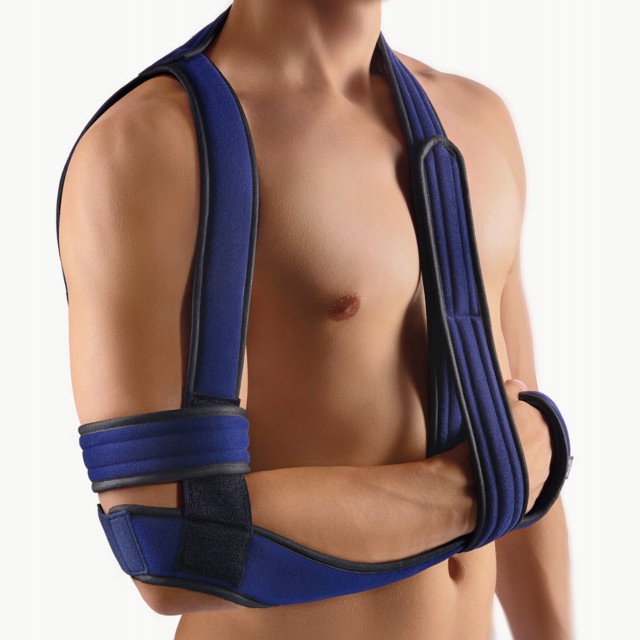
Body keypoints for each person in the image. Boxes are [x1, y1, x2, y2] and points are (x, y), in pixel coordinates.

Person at [57, 1, 572, 638]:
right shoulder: (152, 146)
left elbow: (520, 442)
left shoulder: (478, 121)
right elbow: (176, 545)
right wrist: (479, 485)